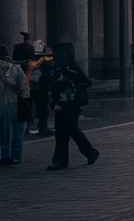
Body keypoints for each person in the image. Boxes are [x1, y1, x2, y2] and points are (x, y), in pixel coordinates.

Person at [45, 42, 97, 170]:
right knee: (62, 132)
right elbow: (51, 86)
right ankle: (62, 159)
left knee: (71, 130)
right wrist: (54, 102)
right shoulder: (55, 67)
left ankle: (87, 152)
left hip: (71, 103)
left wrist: (71, 83)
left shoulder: (72, 67)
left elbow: (86, 82)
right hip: (60, 103)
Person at [0, 45, 29, 165]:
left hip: (14, 105)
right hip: (3, 106)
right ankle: (5, 156)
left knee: (15, 131)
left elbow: (24, 89)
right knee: (3, 131)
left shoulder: (15, 70)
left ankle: (15, 156)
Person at [25, 43, 52, 136]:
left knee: (33, 109)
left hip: (32, 88)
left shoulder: (31, 62)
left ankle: (33, 127)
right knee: (42, 109)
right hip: (39, 88)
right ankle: (42, 128)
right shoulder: (43, 62)